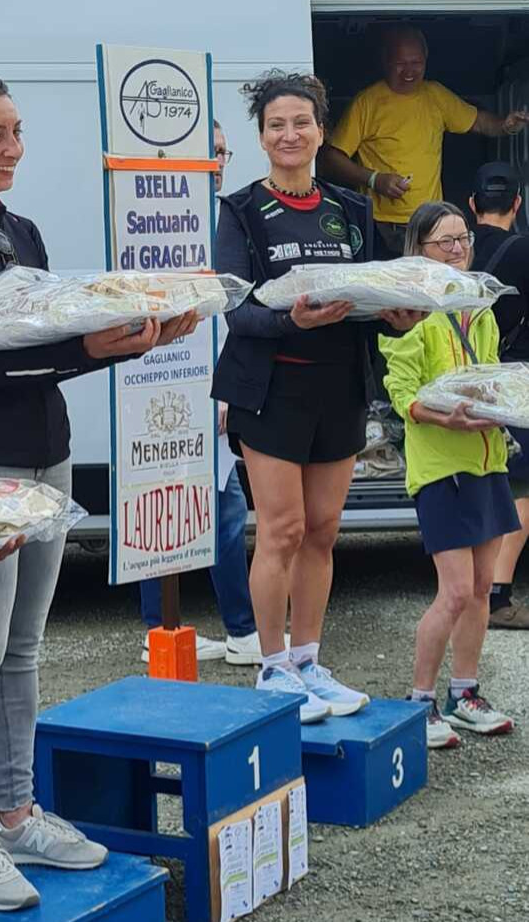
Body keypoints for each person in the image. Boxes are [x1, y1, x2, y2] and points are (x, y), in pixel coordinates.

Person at [0, 67, 198, 911]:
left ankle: (18, 811)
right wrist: (90, 352)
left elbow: (61, 336)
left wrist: (139, 338)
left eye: (16, 132)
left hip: (45, 455)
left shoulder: (19, 229)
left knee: (23, 651)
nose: (12, 150)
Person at [212, 70, 422, 724]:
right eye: (277, 124)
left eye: (301, 122)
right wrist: (288, 322)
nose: (290, 134)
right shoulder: (242, 210)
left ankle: (308, 661)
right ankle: (272, 669)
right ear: (263, 136)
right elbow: (235, 307)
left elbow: (371, 291)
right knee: (282, 528)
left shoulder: (350, 208)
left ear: (320, 131)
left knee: (323, 532)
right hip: (270, 389)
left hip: (340, 388)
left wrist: (394, 314)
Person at [381, 201, 518, 749]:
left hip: (487, 459)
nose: (459, 249)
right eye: (445, 242)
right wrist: (442, 416)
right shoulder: (412, 310)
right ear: (420, 250)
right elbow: (400, 392)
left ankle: (465, 694)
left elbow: (485, 377)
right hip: (440, 466)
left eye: (463, 239)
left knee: (484, 588)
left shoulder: (479, 307)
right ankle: (421, 701)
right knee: (455, 591)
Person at [139, 119, 264, 667]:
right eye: (207, 153)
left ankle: (233, 630)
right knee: (170, 508)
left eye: (222, 153)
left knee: (217, 509)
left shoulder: (225, 218)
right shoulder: (160, 221)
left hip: (211, 388)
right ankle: (205, 629)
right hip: (169, 384)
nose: (217, 163)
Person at [320, 25, 529, 255]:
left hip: (430, 224)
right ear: (385, 61)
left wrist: (506, 126)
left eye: (416, 62)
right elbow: (330, 158)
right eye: (401, 63)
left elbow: (478, 122)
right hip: (380, 226)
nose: (409, 71)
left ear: (426, 60)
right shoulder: (367, 103)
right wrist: (374, 179)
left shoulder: (435, 95)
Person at [469, 162, 529, 629]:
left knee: (480, 476)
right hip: (515, 377)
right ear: (517, 204)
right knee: (521, 486)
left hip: (462, 378)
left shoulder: (453, 249)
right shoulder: (526, 251)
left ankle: (471, 584)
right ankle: (497, 595)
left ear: (472, 206)